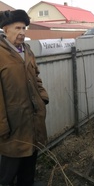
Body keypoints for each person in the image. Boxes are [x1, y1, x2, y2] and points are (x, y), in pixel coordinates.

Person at [0, 10, 49, 186]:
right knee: (8, 172)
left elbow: (36, 77)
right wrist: (2, 125)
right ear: (6, 29)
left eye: (24, 27)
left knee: (29, 165)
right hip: (13, 124)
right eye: (18, 27)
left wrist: (42, 97)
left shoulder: (27, 51)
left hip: (33, 119)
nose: (22, 32)